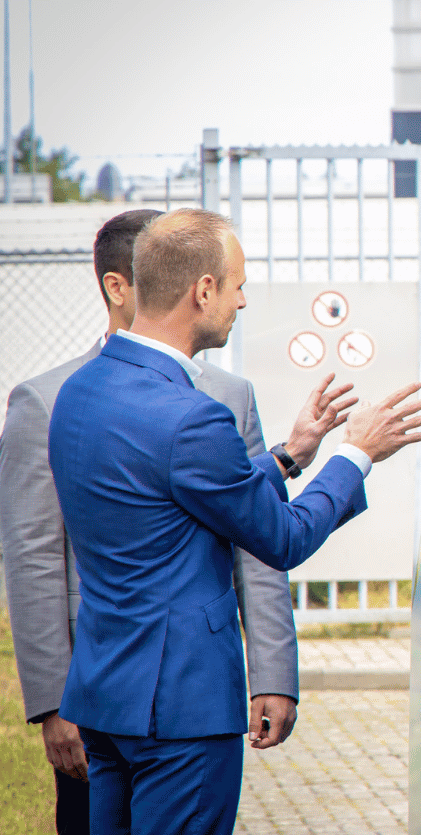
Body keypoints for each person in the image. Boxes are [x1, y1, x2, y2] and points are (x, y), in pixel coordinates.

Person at [45, 208, 421, 835]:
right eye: (237, 285)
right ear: (202, 290)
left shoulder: (80, 391)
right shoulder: (191, 418)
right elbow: (282, 539)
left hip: (106, 698)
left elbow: (169, 498)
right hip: (181, 711)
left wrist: (287, 456)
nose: (244, 300)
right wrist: (355, 455)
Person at [0, 209, 296, 835]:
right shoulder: (47, 399)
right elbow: (32, 556)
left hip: (186, 687)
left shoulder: (226, 395)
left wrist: (273, 672)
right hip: (95, 695)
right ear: (120, 284)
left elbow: (251, 534)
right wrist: (54, 702)